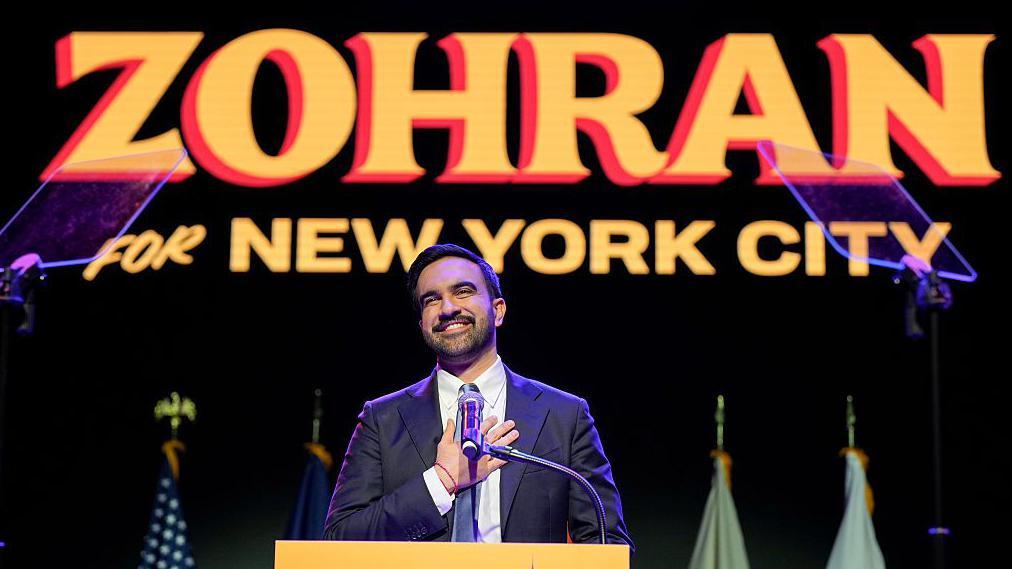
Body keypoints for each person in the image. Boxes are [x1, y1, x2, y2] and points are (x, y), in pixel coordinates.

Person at [324, 243, 632, 548]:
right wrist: (441, 481)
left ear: (498, 311)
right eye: (432, 299)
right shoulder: (383, 419)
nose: (447, 308)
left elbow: (607, 543)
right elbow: (340, 538)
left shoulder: (563, 415)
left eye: (463, 291)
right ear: (422, 325)